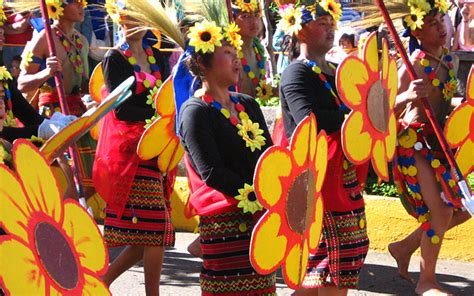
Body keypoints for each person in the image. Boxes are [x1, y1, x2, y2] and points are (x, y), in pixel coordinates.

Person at [277, 1, 369, 294]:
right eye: (321, 24)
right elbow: (309, 121)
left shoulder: (338, 72)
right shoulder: (296, 73)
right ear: (300, 31)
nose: (330, 30)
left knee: (337, 262)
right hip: (318, 179)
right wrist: (352, 117)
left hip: (342, 176)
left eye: (332, 24)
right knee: (331, 267)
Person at [178, 19, 276, 295]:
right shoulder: (195, 111)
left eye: (236, 54)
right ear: (203, 62)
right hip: (225, 222)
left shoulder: (248, 104)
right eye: (228, 54)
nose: (236, 60)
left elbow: (268, 156)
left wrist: (273, 192)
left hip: (259, 218)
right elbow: (211, 172)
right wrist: (257, 195)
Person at [93, 1, 175, 295]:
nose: (138, 22)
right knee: (155, 231)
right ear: (121, 19)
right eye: (132, 17)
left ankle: (102, 281)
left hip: (156, 147)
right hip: (131, 151)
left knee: (145, 237)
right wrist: (157, 112)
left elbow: (167, 92)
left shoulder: (156, 56)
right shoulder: (114, 58)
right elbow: (122, 109)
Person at [390, 0, 471, 294]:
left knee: (462, 209)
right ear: (418, 32)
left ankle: (404, 247)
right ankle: (427, 282)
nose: (442, 28)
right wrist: (405, 97)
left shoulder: (451, 60)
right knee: (439, 211)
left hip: (438, 143)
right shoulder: (411, 64)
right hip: (412, 144)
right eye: (433, 23)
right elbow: (382, 111)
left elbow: (443, 99)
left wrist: (461, 108)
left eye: (443, 21)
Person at [17, 0, 96, 199]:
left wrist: (93, 100)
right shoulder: (44, 38)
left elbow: (85, 84)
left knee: (89, 181)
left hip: (77, 111)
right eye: (75, 2)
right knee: (75, 176)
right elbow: (21, 84)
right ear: (58, 7)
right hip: (53, 115)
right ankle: (64, 222)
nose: (82, 6)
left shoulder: (82, 41)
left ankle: (66, 220)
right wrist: (45, 73)